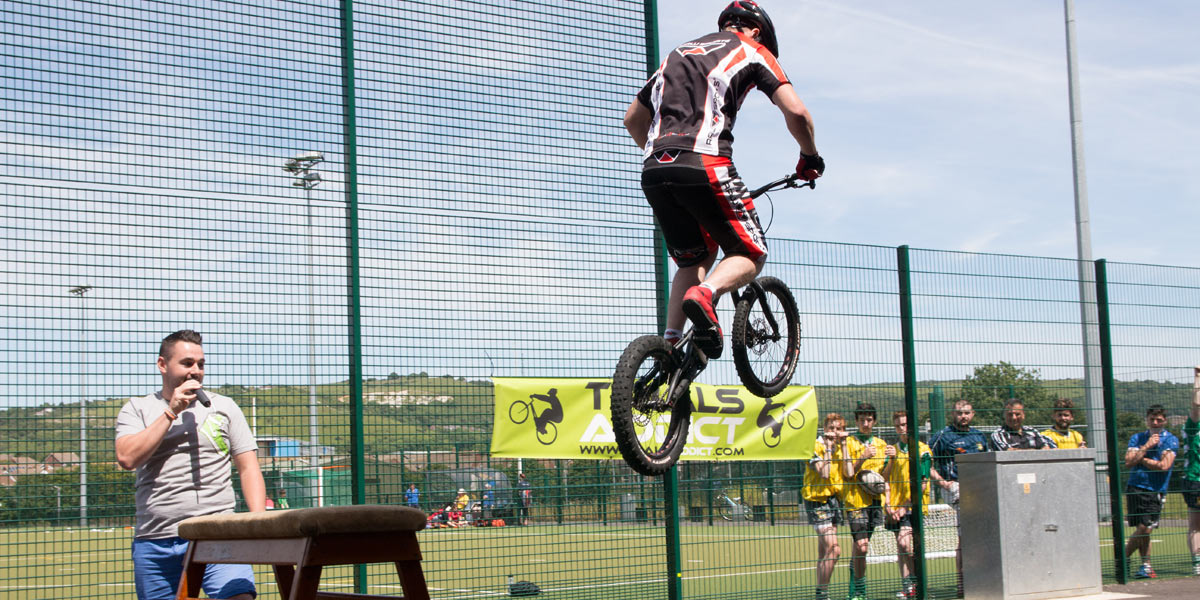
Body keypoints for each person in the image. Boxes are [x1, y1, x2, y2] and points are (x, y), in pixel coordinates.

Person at [623, 0, 823, 356]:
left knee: (692, 258)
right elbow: (797, 112)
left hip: (654, 168)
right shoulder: (753, 49)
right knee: (750, 250)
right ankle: (706, 293)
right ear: (756, 31)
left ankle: (670, 346)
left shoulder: (676, 54)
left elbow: (632, 120)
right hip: (706, 162)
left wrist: (667, 157)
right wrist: (810, 156)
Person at [114, 330, 265, 600]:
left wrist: (259, 522)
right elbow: (127, 458)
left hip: (217, 534)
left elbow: (248, 467)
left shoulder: (224, 407)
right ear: (162, 364)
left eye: (201, 364)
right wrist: (171, 411)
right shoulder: (138, 408)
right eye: (187, 363)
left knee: (239, 596)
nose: (195, 371)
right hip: (156, 539)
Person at [928, 399, 988, 597]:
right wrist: (943, 483)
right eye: (959, 413)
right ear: (952, 414)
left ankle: (982, 578)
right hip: (956, 488)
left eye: (966, 413)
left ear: (973, 414)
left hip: (980, 489)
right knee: (967, 535)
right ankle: (962, 583)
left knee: (981, 535)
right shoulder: (943, 436)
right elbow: (924, 460)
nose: (963, 416)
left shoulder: (979, 436)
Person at [882, 411, 943, 599]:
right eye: (898, 425)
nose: (902, 429)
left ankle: (919, 583)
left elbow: (922, 484)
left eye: (905, 425)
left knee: (906, 544)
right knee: (902, 548)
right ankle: (908, 588)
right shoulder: (892, 450)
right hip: (895, 508)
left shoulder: (923, 450)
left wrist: (904, 507)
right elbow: (884, 479)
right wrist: (888, 505)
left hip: (913, 508)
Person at [1124, 404, 1179, 579]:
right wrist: (1146, 447)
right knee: (1142, 528)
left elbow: (1164, 465)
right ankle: (1145, 566)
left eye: (1159, 420)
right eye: (1152, 419)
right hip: (1135, 486)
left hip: (1155, 489)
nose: (1155, 423)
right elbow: (1129, 462)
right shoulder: (1137, 438)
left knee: (1145, 528)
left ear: (1165, 421)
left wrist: (1141, 459)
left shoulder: (1170, 440)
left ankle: (1123, 557)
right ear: (1146, 420)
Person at [842, 402, 889, 600]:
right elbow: (847, 474)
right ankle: (859, 591)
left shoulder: (881, 444)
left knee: (861, 547)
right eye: (862, 420)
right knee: (861, 546)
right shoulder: (849, 443)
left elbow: (884, 477)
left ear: (874, 421)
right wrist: (863, 456)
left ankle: (855, 590)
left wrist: (891, 461)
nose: (866, 423)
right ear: (856, 421)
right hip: (855, 502)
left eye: (869, 420)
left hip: (875, 502)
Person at [803, 413, 847, 600]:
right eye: (831, 428)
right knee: (834, 549)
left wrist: (842, 447)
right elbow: (825, 473)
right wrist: (828, 449)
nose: (834, 432)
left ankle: (821, 593)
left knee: (824, 552)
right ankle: (822, 594)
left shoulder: (840, 448)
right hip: (817, 501)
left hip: (833, 500)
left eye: (838, 429)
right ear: (824, 429)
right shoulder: (814, 446)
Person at [988, 399, 1057, 451]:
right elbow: (1008, 453)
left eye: (1017, 414)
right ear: (1004, 415)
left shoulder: (1032, 431)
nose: (1014, 417)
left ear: (1023, 415)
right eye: (1010, 414)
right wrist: (1033, 451)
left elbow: (1045, 448)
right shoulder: (998, 434)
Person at [1183, 367, 1200, 575]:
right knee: (1196, 523)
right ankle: (1197, 561)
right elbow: (1196, 405)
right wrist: (1197, 379)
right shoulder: (1193, 427)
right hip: (1195, 480)